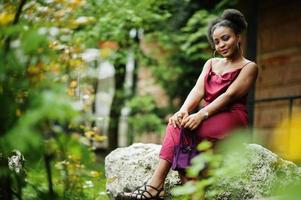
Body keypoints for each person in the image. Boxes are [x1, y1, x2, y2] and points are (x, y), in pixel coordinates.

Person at [119, 8, 258, 200]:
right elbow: (198, 90)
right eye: (216, 42)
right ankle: (159, 185)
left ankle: (154, 187)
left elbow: (230, 96)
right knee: (176, 124)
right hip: (207, 114)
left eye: (225, 38)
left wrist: (201, 114)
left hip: (231, 116)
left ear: (238, 36)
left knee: (186, 136)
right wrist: (183, 110)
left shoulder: (249, 67)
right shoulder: (210, 64)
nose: (221, 45)